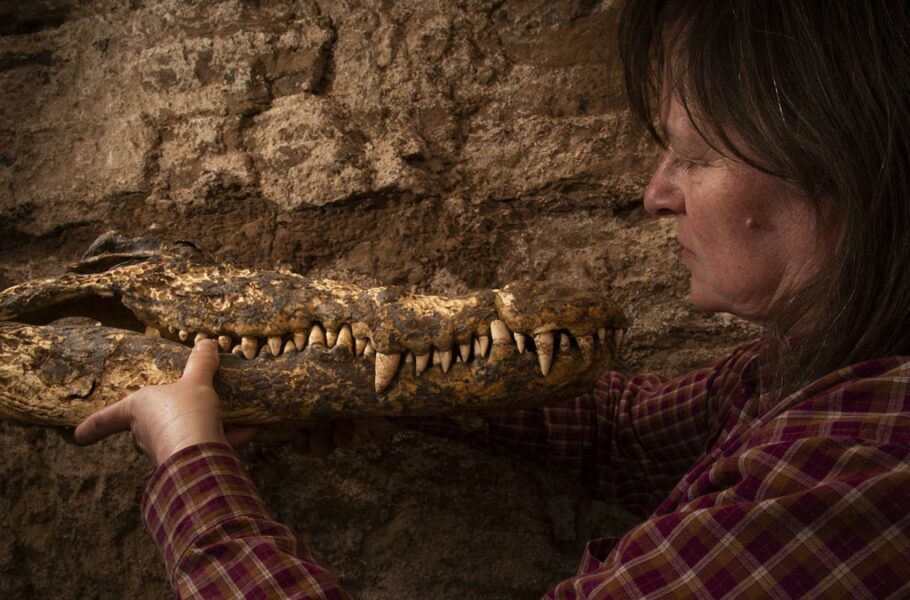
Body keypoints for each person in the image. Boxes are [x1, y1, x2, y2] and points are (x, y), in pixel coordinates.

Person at [74, 0, 910, 598]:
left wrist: (191, 467)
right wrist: (365, 379)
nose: (657, 194)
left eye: (693, 158)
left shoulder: (856, 471)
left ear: (833, 170)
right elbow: (622, 432)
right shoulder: (817, 373)